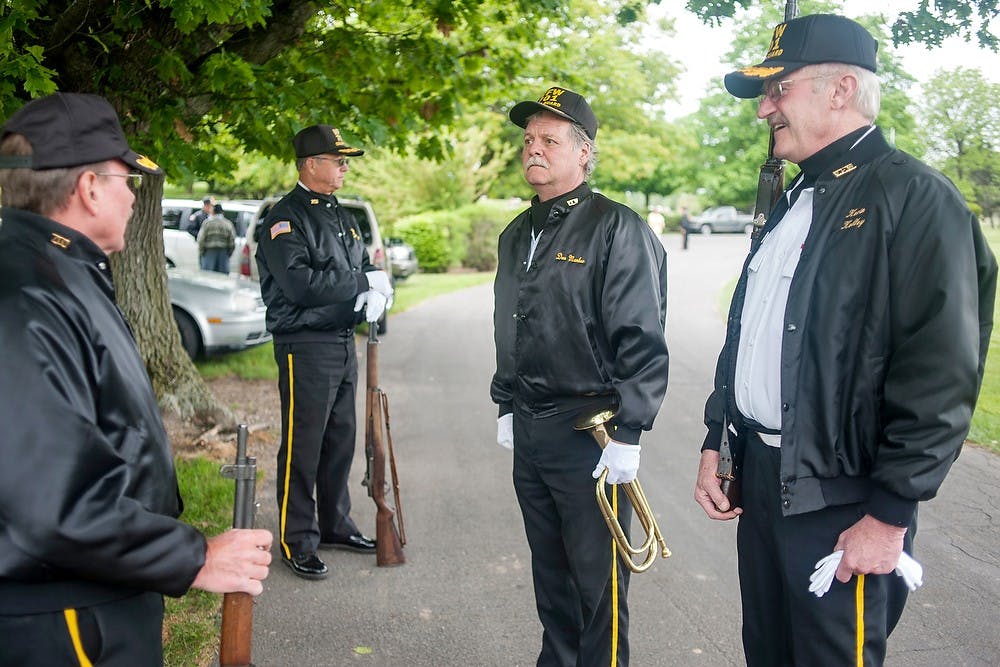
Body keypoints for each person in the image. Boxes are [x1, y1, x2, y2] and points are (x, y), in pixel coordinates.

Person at [692, 14, 997, 666]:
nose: (763, 111)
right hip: (767, 483)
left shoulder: (915, 199)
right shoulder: (792, 200)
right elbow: (749, 334)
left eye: (778, 90)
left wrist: (889, 516)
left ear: (840, 90)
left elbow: (940, 371)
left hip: (845, 502)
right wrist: (719, 441)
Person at [0, 92, 272, 665]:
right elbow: (53, 501)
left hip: (90, 593)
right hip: (65, 618)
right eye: (127, 180)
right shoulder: (28, 293)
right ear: (90, 187)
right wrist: (193, 557)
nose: (133, 195)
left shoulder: (56, 269)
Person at [491, 86, 669, 667]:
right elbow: (511, 326)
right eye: (527, 140)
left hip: (590, 433)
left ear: (584, 153)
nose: (533, 150)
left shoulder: (617, 228)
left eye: (549, 140)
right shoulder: (516, 234)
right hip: (532, 427)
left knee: (598, 584)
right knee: (551, 572)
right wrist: (506, 404)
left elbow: (639, 333)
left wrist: (631, 432)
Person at [255, 124, 393, 580]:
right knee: (303, 445)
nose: (344, 167)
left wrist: (372, 286)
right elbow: (300, 285)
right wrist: (361, 283)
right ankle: (297, 538)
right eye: (338, 160)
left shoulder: (342, 217)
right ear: (311, 164)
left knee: (339, 440)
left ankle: (334, 524)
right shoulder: (284, 218)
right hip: (304, 344)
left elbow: (355, 268)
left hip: (339, 340)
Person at [197, 202, 236, 273]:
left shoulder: (207, 223)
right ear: (222, 212)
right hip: (223, 253)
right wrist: (229, 253)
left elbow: (201, 239)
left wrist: (202, 252)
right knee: (222, 277)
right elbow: (232, 240)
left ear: (213, 212)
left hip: (209, 252)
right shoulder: (228, 223)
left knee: (208, 276)